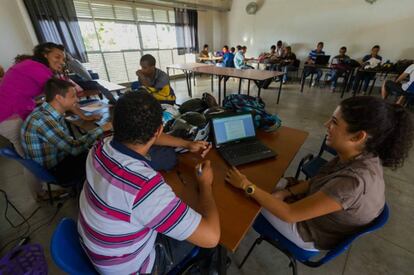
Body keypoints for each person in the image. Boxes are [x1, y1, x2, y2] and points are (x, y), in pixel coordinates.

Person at [225, 96, 413, 251]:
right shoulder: (359, 154)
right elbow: (317, 180)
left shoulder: (353, 183)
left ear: (357, 136)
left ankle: (222, 240)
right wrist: (286, 193)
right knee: (265, 183)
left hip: (308, 232)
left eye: (334, 122)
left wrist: (246, 186)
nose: (326, 125)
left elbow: (290, 214)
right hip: (314, 212)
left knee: (246, 196)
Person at [78, 91, 220, 274]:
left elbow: (149, 135)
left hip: (101, 250)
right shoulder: (144, 188)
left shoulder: (100, 147)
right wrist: (205, 184)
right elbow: (211, 236)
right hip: (133, 267)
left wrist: (186, 144)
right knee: (213, 242)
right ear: (159, 130)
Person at [21, 78, 112, 195]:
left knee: (95, 150)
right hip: (55, 169)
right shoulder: (44, 120)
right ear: (59, 98)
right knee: (102, 158)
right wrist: (101, 129)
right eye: (73, 96)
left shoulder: (45, 111)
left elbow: (70, 143)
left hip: (56, 159)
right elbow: (74, 149)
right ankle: (98, 196)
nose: (77, 99)